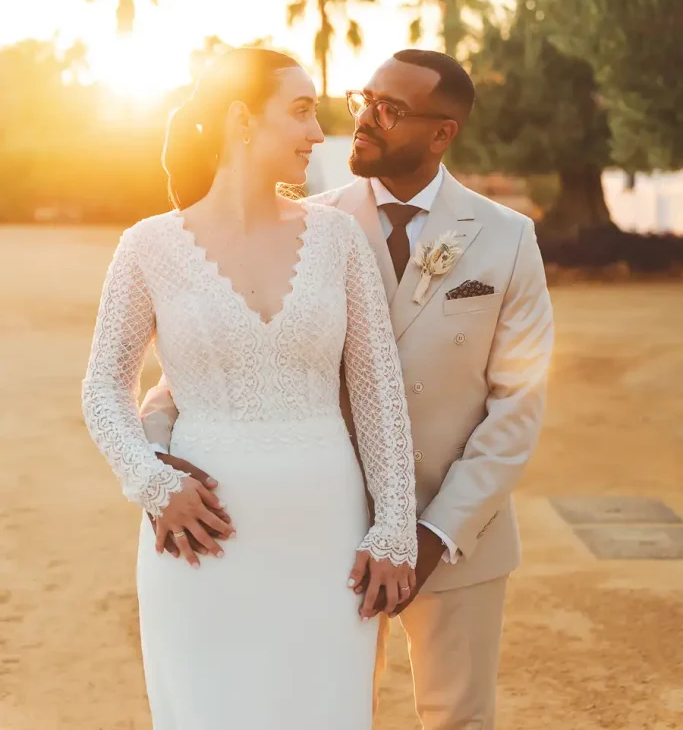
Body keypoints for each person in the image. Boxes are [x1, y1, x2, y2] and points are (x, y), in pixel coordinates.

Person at [142, 49, 554, 730]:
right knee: (325, 711)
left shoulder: (507, 240)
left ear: (441, 132)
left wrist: (428, 534)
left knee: (458, 719)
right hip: (321, 530)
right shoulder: (307, 225)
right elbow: (203, 366)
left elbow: (518, 406)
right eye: (364, 100)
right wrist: (155, 463)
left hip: (457, 537)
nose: (362, 120)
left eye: (388, 111)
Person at [82, 47, 418, 730]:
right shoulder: (148, 248)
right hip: (201, 541)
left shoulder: (338, 241)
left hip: (327, 540)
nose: (316, 132)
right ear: (240, 119)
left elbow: (378, 391)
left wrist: (393, 529)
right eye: (299, 111)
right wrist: (152, 484)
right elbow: (102, 390)